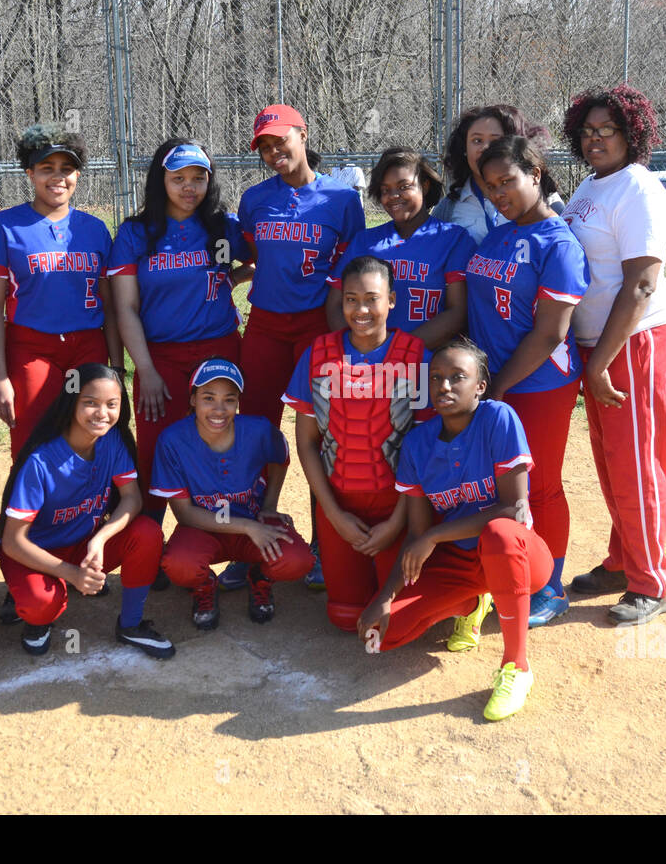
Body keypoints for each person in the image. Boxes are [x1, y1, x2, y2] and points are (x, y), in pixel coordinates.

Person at [357, 339, 550, 722]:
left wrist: (433, 537)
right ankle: (474, 602)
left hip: (520, 556)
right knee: (379, 636)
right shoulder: (417, 443)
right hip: (462, 560)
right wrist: (384, 595)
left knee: (499, 533)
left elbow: (512, 509)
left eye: (458, 377)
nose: (445, 386)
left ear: (480, 385)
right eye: (437, 378)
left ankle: (517, 667)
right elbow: (417, 534)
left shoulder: (498, 418)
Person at [560, 84, 666, 625]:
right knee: (615, 464)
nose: (595, 139)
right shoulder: (593, 184)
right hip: (600, 345)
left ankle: (652, 580)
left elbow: (641, 285)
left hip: (633, 342)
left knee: (636, 465)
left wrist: (601, 360)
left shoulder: (639, 189)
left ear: (632, 133)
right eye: (587, 131)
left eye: (606, 129)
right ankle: (623, 560)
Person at [236, 103, 365, 588]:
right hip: (266, 326)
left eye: (280, 140)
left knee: (322, 433)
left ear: (303, 134)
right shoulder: (255, 199)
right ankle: (247, 540)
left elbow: (351, 268)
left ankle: (322, 546)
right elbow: (248, 257)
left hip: (318, 327)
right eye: (264, 146)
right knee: (254, 432)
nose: (274, 152)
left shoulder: (341, 199)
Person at [466, 135, 590, 627]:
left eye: (508, 181)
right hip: (495, 382)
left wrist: (497, 387)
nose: (499, 193)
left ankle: (552, 586)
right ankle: (515, 569)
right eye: (490, 185)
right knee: (499, 485)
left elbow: (550, 333)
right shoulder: (499, 233)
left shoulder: (558, 242)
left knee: (538, 485)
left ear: (535, 175)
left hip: (539, 384)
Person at [285, 256, 432, 632]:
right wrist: (334, 517)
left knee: (395, 620)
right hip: (340, 505)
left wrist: (398, 520)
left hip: (398, 506)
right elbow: (306, 444)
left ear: (392, 301)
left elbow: (426, 448)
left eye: (371, 298)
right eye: (351, 299)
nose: (361, 309)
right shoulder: (318, 354)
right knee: (345, 616)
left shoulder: (416, 357)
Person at [107, 139, 251, 518]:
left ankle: (223, 535)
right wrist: (148, 371)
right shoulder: (138, 233)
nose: (189, 187)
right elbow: (126, 307)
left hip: (218, 351)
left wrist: (230, 279)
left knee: (220, 442)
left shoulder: (223, 227)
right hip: (160, 357)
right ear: (161, 180)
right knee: (156, 448)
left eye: (199, 178)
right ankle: (148, 541)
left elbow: (266, 262)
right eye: (179, 178)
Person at [0, 363, 172, 657]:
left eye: (111, 404)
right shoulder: (41, 460)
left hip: (81, 545)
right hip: (34, 554)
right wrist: (70, 573)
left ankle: (130, 625)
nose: (102, 413)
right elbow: (14, 541)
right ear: (71, 402)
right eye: (90, 403)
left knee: (148, 532)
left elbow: (132, 498)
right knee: (41, 605)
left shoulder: (112, 440)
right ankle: (32, 609)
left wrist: (100, 539)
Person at [0, 125, 120, 455]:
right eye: (46, 168)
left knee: (91, 438)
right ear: (29, 173)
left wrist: (115, 368)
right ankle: (32, 508)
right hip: (32, 348)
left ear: (78, 175)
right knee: (34, 440)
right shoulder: (2, 225)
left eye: (66, 169)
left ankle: (86, 506)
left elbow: (111, 307)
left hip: (87, 345)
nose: (58, 177)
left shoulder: (96, 229)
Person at [154, 359, 312, 628]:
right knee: (179, 564)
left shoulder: (258, 430)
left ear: (238, 402)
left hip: (253, 523)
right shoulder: (172, 440)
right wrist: (248, 526)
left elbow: (280, 458)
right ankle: (204, 585)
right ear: (192, 399)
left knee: (298, 560)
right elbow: (184, 513)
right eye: (208, 398)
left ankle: (259, 577)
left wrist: (270, 505)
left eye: (229, 399)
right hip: (203, 527)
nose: (219, 409)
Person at [324, 147, 471, 349]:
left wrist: (399, 351)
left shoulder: (454, 238)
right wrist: (360, 349)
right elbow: (334, 305)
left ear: (425, 186)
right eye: (386, 190)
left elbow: (457, 313)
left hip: (429, 361)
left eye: (404, 186)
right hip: (369, 359)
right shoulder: (364, 241)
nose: (394, 195)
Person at [433, 104, 565, 244]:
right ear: (464, 148)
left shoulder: (544, 198)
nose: (485, 148)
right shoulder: (451, 205)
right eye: (477, 140)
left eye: (495, 141)